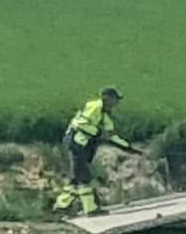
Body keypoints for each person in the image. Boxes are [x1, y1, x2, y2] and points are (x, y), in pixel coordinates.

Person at [54, 87, 139, 215]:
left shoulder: (105, 115)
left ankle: (62, 205)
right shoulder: (94, 107)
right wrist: (99, 132)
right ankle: (90, 209)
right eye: (115, 99)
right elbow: (80, 124)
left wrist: (128, 147)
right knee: (84, 177)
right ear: (106, 98)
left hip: (83, 146)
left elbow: (110, 135)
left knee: (76, 178)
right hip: (76, 143)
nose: (116, 103)